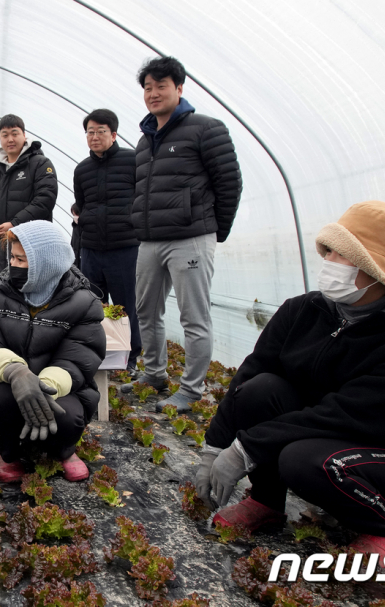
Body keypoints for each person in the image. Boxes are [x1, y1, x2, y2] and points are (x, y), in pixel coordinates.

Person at [195, 201, 385, 566]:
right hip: (323, 431)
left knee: (304, 460)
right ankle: (265, 502)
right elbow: (251, 373)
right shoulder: (304, 310)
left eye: (342, 255)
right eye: (329, 251)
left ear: (377, 272)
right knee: (261, 390)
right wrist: (215, 445)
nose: (329, 261)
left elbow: (345, 415)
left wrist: (247, 449)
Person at [131, 56, 242, 412]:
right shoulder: (144, 142)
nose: (153, 93)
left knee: (193, 316)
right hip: (151, 240)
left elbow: (229, 183)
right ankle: (154, 374)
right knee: (146, 310)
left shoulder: (206, 129)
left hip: (189, 238)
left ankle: (191, 390)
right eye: (148, 87)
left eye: (161, 86)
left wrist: (212, 230)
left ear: (179, 89)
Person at [0, 221, 106, 484]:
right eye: (13, 258)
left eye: (22, 259)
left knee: (67, 418)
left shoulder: (84, 303)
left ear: (47, 264)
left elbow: (79, 357)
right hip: (6, 383)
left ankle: (63, 451)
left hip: (60, 386)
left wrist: (42, 388)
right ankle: (8, 453)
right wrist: (15, 372)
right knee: (1, 404)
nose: (13, 265)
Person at [74, 109, 142, 372]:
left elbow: (141, 197)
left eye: (100, 131)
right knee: (93, 305)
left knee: (126, 306)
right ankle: (98, 355)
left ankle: (131, 357)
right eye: (90, 132)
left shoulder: (132, 160)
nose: (94, 137)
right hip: (91, 247)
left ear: (113, 134)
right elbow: (82, 204)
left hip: (124, 246)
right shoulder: (82, 169)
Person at [0, 114, 58, 277]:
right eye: (5, 135)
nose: (10, 139)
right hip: (1, 251)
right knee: (3, 295)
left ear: (24, 135)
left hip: (31, 246)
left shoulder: (40, 164)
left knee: (31, 295)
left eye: (15, 133)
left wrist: (14, 224)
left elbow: (45, 200)